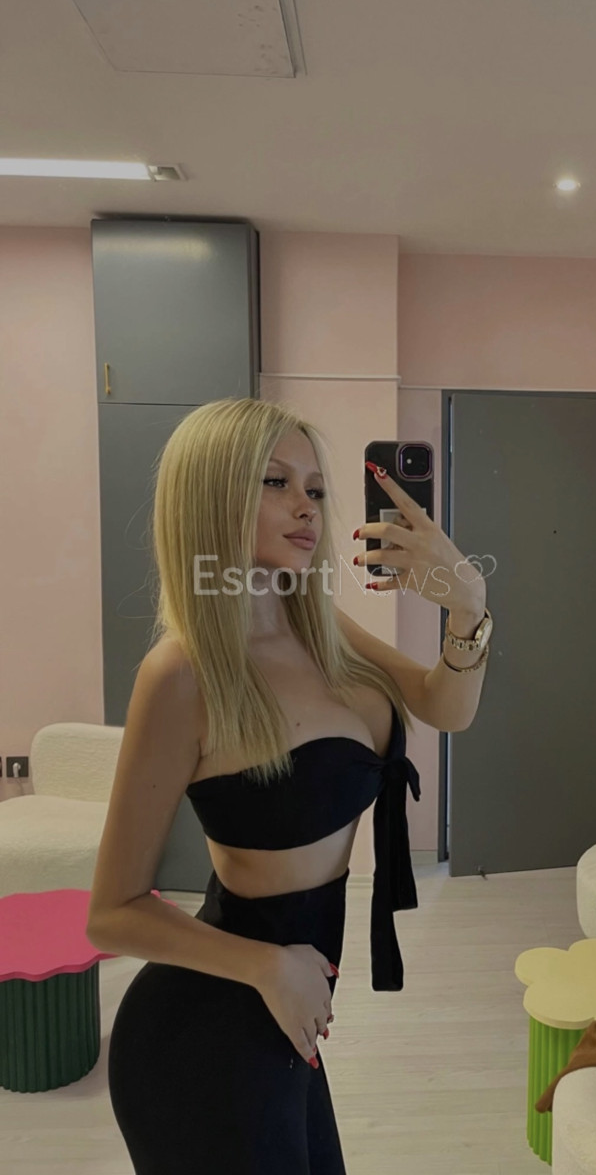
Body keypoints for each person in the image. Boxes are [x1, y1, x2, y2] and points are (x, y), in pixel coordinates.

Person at [87, 396, 488, 1174]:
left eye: (315, 487)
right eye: (275, 482)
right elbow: (111, 914)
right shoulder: (182, 675)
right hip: (205, 1029)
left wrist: (467, 607)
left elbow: (445, 707)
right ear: (210, 497)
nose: (306, 505)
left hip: (287, 1018)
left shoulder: (319, 627)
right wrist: (267, 967)